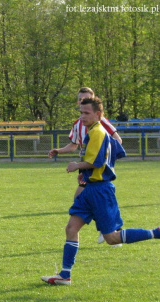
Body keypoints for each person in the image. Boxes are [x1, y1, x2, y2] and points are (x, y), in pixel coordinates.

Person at [41, 97, 159, 285]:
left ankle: (156, 233)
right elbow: (119, 151)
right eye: (81, 112)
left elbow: (97, 162)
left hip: (100, 191)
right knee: (71, 228)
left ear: (98, 114)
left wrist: (77, 165)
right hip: (89, 189)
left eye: (86, 113)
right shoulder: (95, 132)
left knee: (111, 238)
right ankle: (65, 275)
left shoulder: (98, 132)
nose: (82, 116)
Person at [48, 87, 123, 245]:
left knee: (83, 197)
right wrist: (59, 151)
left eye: (86, 98)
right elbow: (74, 145)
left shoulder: (100, 123)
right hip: (84, 167)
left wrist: (106, 159)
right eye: (81, 99)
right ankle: (109, 231)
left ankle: (110, 231)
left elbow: (118, 140)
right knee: (82, 198)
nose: (83, 101)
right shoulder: (78, 124)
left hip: (95, 167)